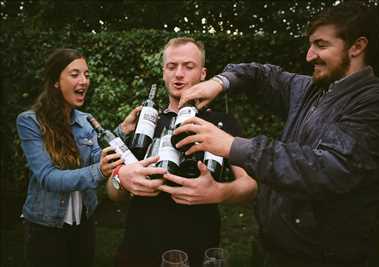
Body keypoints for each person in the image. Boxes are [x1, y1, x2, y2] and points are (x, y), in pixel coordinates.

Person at [175, 2, 379, 267]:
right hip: (271, 248)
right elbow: (259, 74)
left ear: (357, 46)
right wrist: (218, 83)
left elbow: (328, 169)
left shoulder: (378, 102)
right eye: (310, 44)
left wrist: (234, 147)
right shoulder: (309, 88)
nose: (309, 56)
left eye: (321, 45)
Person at [107, 37, 257, 267]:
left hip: (197, 245)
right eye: (171, 66)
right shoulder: (144, 121)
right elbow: (113, 192)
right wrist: (120, 178)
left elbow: (249, 185)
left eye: (188, 66)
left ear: (203, 73)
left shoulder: (221, 123)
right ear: (164, 73)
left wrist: (218, 192)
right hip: (139, 247)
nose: (179, 74)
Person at [16, 48, 119, 267]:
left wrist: (123, 131)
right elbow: (48, 177)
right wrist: (99, 171)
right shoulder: (30, 122)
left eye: (87, 75)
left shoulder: (86, 120)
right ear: (55, 81)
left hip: (84, 223)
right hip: (45, 227)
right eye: (75, 74)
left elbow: (94, 158)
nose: (84, 81)